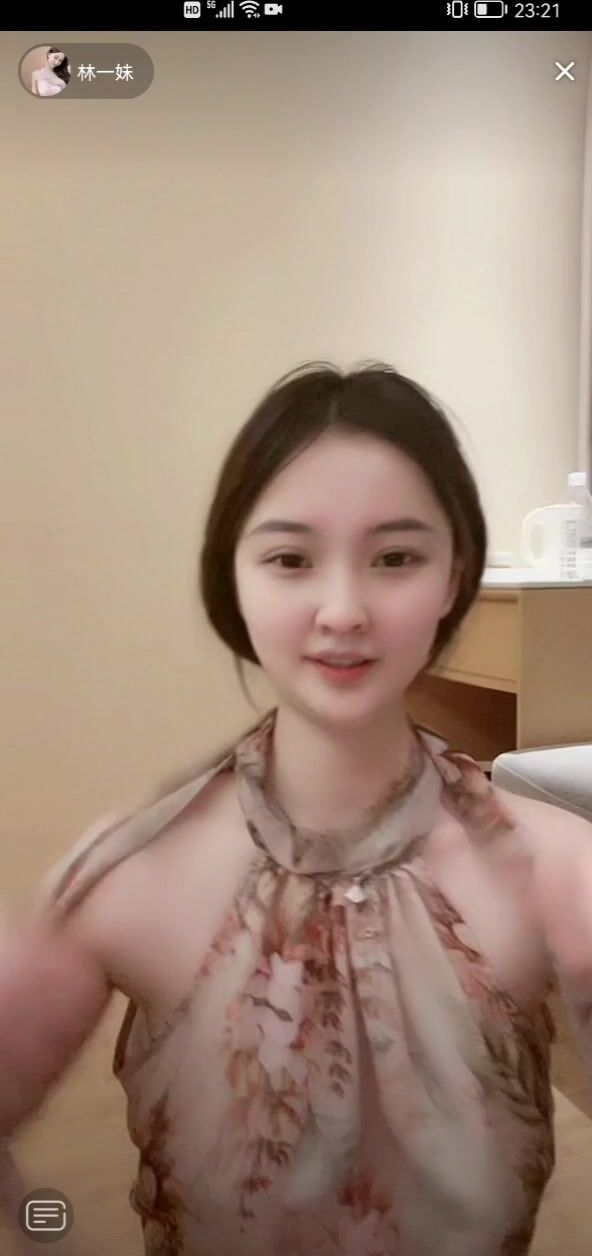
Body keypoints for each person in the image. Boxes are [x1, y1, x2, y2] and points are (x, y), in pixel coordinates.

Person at [2, 360, 592, 1256]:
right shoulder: (135, 876)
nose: (343, 610)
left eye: (395, 558)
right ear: (233, 578)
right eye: (290, 560)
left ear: (454, 575)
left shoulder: (556, 868)